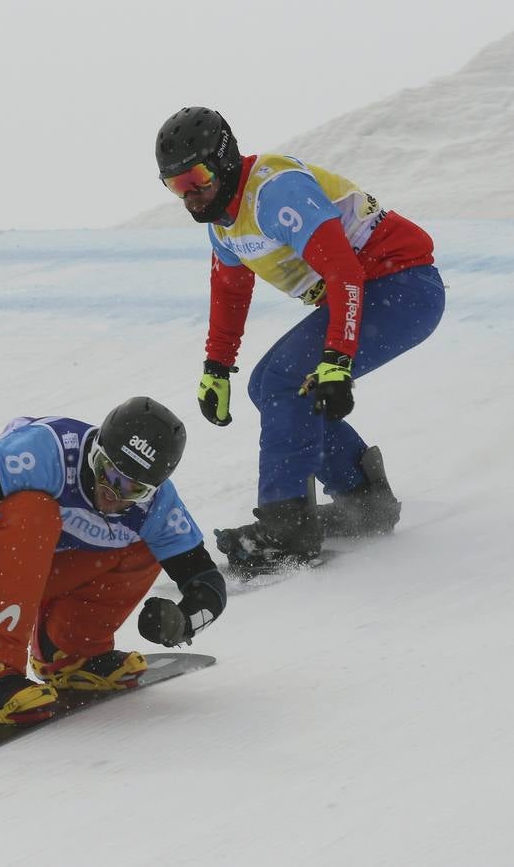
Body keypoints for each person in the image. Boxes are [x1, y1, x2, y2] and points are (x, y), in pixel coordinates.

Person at [153, 106, 445, 573]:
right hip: (369, 291)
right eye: (176, 186)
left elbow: (344, 272)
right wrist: (216, 368)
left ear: (224, 162)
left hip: (403, 287)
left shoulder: (274, 192)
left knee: (287, 382)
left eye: (197, 178)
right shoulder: (223, 221)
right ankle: (364, 499)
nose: (190, 195)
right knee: (266, 386)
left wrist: (336, 360)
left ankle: (286, 526)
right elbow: (229, 292)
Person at [0, 396, 226, 725]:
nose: (111, 493)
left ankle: (71, 650)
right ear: (94, 448)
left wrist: (183, 621)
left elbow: (208, 585)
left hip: (33, 570)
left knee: (145, 538)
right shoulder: (46, 452)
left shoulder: (157, 505)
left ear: (153, 489)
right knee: (33, 508)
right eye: (107, 471)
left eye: (132, 488)